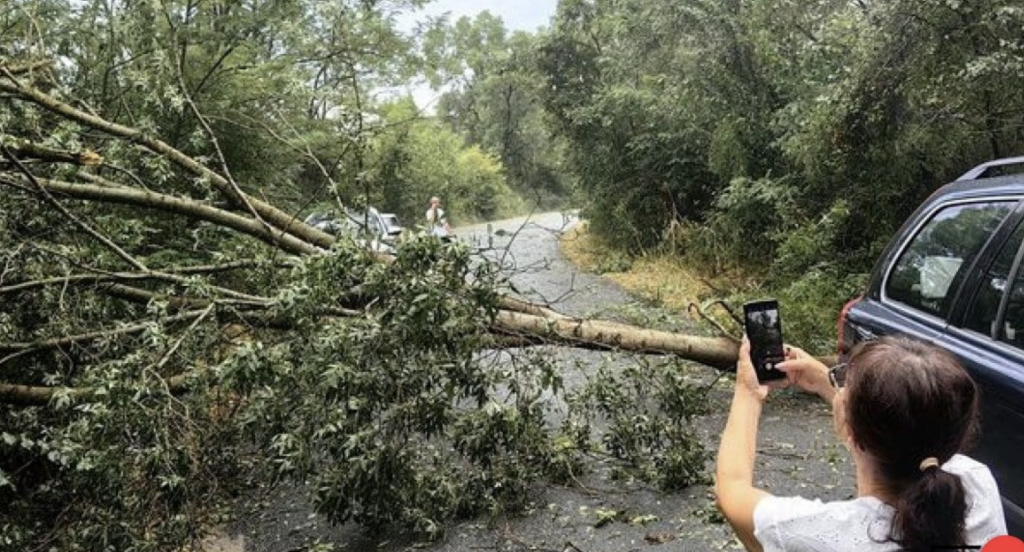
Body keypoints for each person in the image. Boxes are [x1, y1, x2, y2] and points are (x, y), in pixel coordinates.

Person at [715, 335, 1007, 552]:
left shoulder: (822, 535)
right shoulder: (978, 484)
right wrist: (824, 382)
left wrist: (748, 391)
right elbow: (904, 427)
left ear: (849, 431)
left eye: (845, 387)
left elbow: (731, 491)